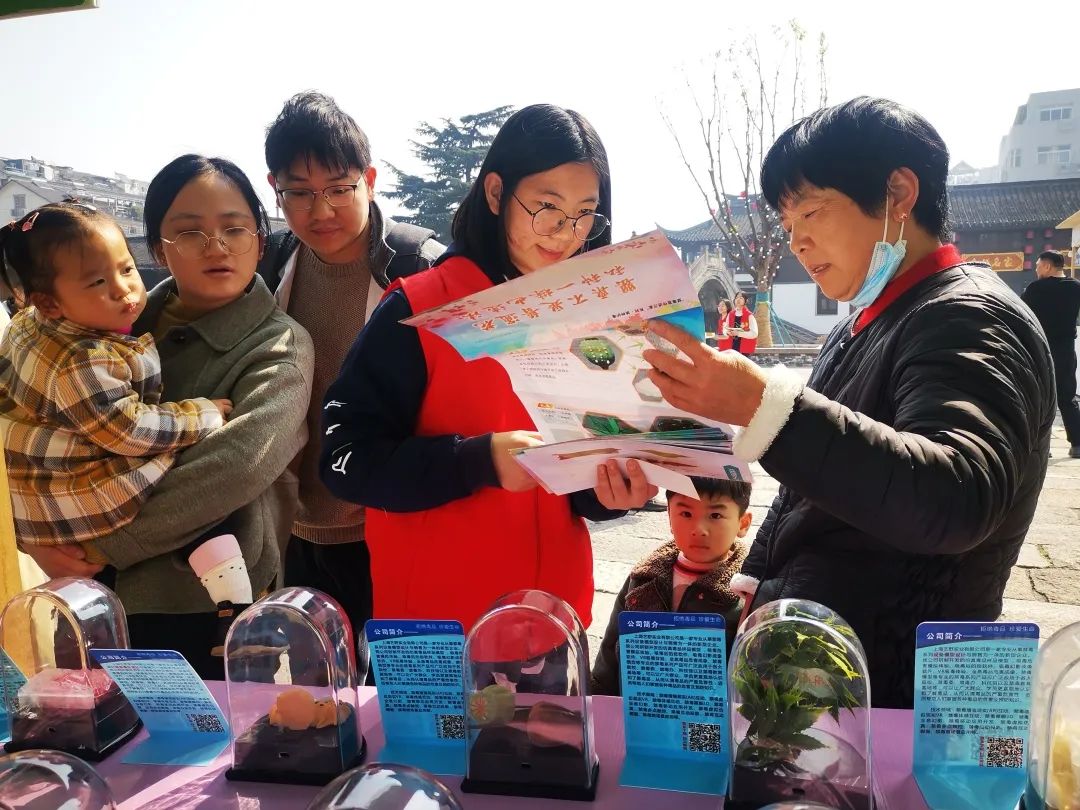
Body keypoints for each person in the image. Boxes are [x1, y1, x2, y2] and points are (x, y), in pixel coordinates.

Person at [643, 97, 1055, 708]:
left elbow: (958, 496)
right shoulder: (865, 321)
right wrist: (752, 579)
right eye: (787, 226)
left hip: (891, 687)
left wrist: (762, 404)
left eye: (812, 211)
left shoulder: (971, 317)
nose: (798, 243)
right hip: (818, 668)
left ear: (898, 193)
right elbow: (803, 489)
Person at [319, 104, 655, 635]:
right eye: (546, 207)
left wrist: (613, 493)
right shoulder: (422, 310)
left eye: (585, 212)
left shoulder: (588, 320)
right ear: (496, 193)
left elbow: (579, 479)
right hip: (435, 631)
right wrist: (478, 460)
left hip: (549, 626)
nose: (565, 232)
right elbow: (344, 459)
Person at [19, 155, 314, 679]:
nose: (215, 245)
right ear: (157, 247)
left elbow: (236, 467)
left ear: (260, 240)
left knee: (208, 754)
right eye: (189, 232)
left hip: (198, 608)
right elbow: (25, 428)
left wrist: (93, 543)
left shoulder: (279, 345)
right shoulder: (89, 326)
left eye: (234, 228)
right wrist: (33, 532)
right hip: (87, 597)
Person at [0, 202, 257, 656]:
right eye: (98, 282)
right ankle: (236, 607)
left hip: (43, 493)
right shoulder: (84, 358)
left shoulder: (26, 326)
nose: (125, 291)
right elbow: (129, 431)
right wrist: (200, 415)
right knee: (187, 477)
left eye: (125, 269)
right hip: (84, 490)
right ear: (49, 301)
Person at [256, 91, 444, 638]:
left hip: (394, 527)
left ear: (370, 178)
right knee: (315, 700)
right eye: (300, 193)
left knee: (399, 697)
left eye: (340, 189)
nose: (321, 211)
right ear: (275, 189)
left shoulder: (419, 268)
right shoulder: (267, 268)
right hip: (294, 532)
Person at [590, 478, 752, 695]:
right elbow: (610, 653)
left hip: (711, 720)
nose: (699, 529)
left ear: (743, 523)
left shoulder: (747, 592)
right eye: (686, 514)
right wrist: (599, 698)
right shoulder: (643, 578)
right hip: (643, 711)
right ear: (668, 515)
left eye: (715, 515)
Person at [1022, 250, 1080, 458]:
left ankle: (1041, 448)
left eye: (1038, 265)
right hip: (1065, 349)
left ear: (1047, 266)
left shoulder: (1036, 289)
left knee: (1038, 396)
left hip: (1039, 348)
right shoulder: (1076, 287)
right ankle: (1077, 444)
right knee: (1067, 396)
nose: (1036, 269)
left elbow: (1021, 314)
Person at [725, 291, 758, 355]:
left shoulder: (749, 315)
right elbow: (725, 328)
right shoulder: (730, 314)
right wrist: (727, 332)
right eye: (737, 297)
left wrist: (738, 333)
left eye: (741, 298)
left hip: (745, 349)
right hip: (731, 348)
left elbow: (754, 333)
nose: (738, 299)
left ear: (746, 301)